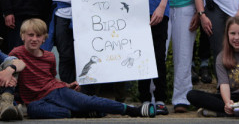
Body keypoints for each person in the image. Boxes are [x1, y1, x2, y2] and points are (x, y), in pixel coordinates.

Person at [9, 18, 155, 118]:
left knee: (89, 101)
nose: (34, 39)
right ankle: (83, 113)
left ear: (44, 38)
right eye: (30, 35)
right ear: (22, 36)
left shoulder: (49, 56)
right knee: (33, 111)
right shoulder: (16, 53)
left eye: (38, 36)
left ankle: (132, 110)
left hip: (56, 91)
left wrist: (66, 85)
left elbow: (50, 79)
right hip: (37, 100)